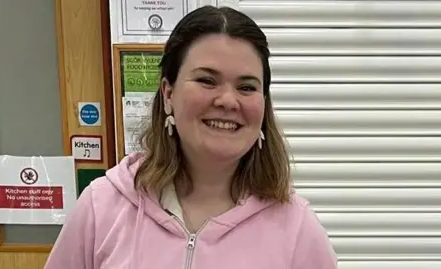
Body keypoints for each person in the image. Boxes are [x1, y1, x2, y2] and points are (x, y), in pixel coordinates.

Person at [44, 5, 337, 269]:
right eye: (207, 80)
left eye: (246, 87)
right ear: (168, 93)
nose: (227, 100)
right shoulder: (101, 206)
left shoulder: (298, 228)